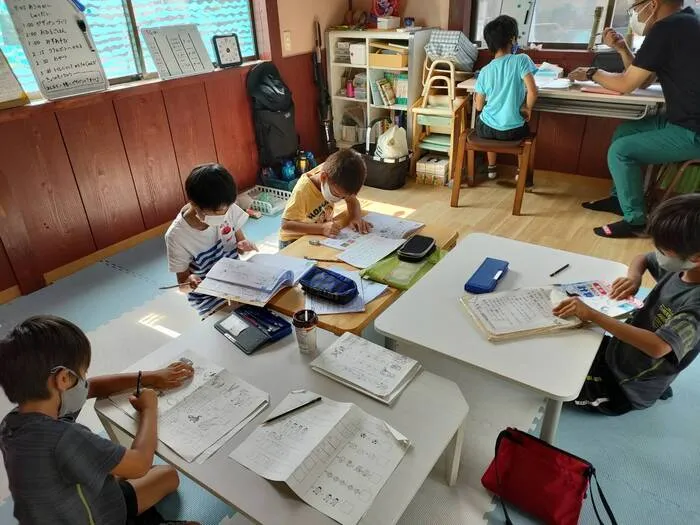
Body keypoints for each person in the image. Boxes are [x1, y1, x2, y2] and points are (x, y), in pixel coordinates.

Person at [0, 315, 198, 524]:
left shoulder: (13, 421)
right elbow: (140, 463)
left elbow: (91, 387)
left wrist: (150, 377)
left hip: (72, 506)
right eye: (82, 373)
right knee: (168, 477)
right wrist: (149, 408)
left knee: (166, 476)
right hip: (99, 517)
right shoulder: (66, 438)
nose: (85, 380)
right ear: (64, 379)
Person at [553, 194, 700, 415]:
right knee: (567, 347)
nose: (658, 254)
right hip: (622, 351)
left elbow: (658, 347)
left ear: (696, 257)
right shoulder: (682, 267)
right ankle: (658, 383)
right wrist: (634, 278)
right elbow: (642, 258)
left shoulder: (696, 303)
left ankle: (651, 389)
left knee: (556, 388)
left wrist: (593, 315)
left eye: (664, 251)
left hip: (624, 387)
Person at [568, 0, 700, 239]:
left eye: (635, 8)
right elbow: (644, 80)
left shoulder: (665, 29)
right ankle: (621, 200)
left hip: (693, 130)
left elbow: (627, 84)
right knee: (624, 132)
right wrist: (621, 48)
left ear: (652, 4)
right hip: (682, 118)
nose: (635, 15)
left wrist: (591, 73)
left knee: (621, 150)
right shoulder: (688, 20)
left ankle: (636, 221)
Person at [165, 164, 257, 316]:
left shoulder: (227, 207)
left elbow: (240, 246)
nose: (225, 214)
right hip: (209, 299)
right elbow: (183, 285)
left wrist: (244, 246)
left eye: (227, 208)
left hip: (237, 283)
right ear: (195, 205)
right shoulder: (177, 236)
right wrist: (191, 282)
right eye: (217, 212)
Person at [474, 15, 538, 183]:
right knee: (523, 133)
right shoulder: (521, 60)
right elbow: (533, 91)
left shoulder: (484, 71)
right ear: (512, 38)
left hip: (487, 130)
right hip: (513, 131)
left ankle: (491, 169)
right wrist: (527, 108)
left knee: (485, 118)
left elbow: (479, 106)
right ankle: (519, 172)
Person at [278, 148, 372, 249]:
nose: (339, 199)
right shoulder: (303, 191)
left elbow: (352, 201)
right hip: (293, 240)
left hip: (316, 233)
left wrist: (355, 217)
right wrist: (321, 228)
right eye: (336, 193)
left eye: (343, 197)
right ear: (323, 177)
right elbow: (286, 225)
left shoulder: (335, 175)